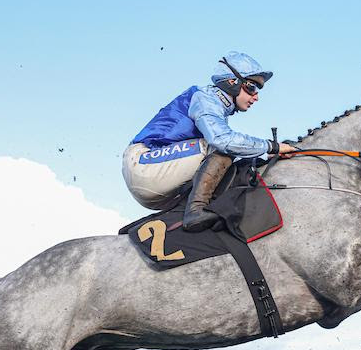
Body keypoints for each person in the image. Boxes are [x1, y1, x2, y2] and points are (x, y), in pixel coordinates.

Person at [123, 52, 294, 232]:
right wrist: (271, 146)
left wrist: (264, 156)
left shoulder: (215, 106)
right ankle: (195, 212)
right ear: (232, 82)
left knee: (226, 159)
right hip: (144, 162)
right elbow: (223, 141)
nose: (256, 96)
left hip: (158, 173)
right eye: (251, 87)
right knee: (223, 147)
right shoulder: (204, 97)